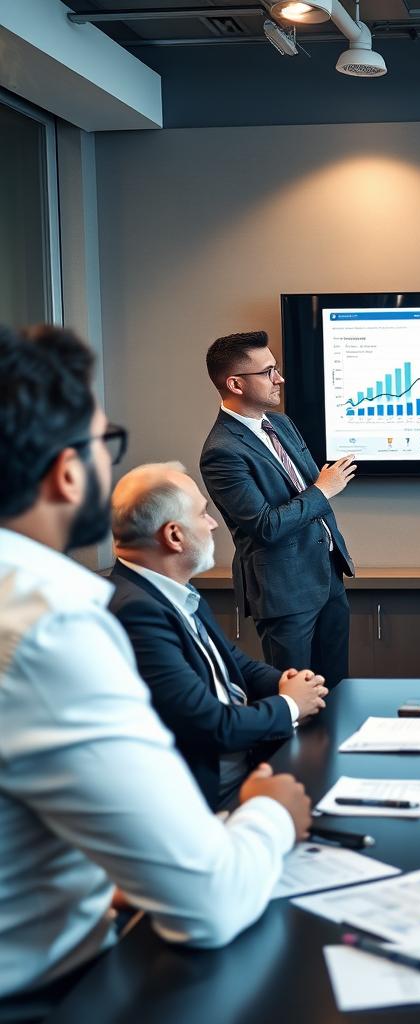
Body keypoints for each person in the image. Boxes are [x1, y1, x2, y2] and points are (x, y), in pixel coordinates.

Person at [0, 325, 310, 1017]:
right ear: (67, 471)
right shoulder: (51, 624)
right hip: (53, 994)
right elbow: (209, 903)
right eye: (104, 442)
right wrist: (271, 816)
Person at [108, 462, 329, 811]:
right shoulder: (136, 612)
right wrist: (290, 705)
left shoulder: (170, 590)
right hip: (210, 801)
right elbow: (211, 725)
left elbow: (232, 663)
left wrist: (287, 680)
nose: (212, 524)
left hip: (246, 771)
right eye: (203, 514)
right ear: (174, 536)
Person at [200, 330, 356, 686]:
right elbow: (266, 526)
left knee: (337, 688)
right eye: (268, 371)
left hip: (327, 576)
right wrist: (323, 490)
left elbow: (305, 485)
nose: (279, 378)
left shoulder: (280, 424)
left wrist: (320, 489)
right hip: (285, 590)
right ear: (236, 384)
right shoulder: (221, 451)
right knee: (296, 697)